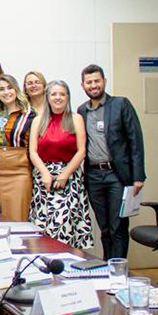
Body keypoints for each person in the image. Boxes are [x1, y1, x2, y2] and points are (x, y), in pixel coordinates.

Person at [77, 64, 146, 259]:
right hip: (93, 176)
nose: (93, 85)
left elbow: (135, 141)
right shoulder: (82, 111)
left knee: (118, 227)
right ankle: (107, 268)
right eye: (89, 82)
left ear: (104, 81)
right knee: (105, 228)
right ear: (83, 85)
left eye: (96, 81)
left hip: (117, 174)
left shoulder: (120, 104)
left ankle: (118, 270)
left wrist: (138, 176)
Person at [28, 80, 92, 248]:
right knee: (43, 225)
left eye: (62, 94)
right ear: (47, 97)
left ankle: (65, 259)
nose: (58, 97)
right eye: (54, 94)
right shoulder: (38, 120)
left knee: (64, 222)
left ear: (68, 97)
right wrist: (45, 174)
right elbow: (33, 152)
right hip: (44, 177)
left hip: (69, 176)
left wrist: (64, 175)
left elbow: (81, 151)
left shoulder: (76, 119)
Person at [0, 75, 35, 221]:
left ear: (16, 90)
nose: (6, 92)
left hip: (18, 170)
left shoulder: (30, 114)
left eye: (9, 88)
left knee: (17, 214)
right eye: (1, 89)